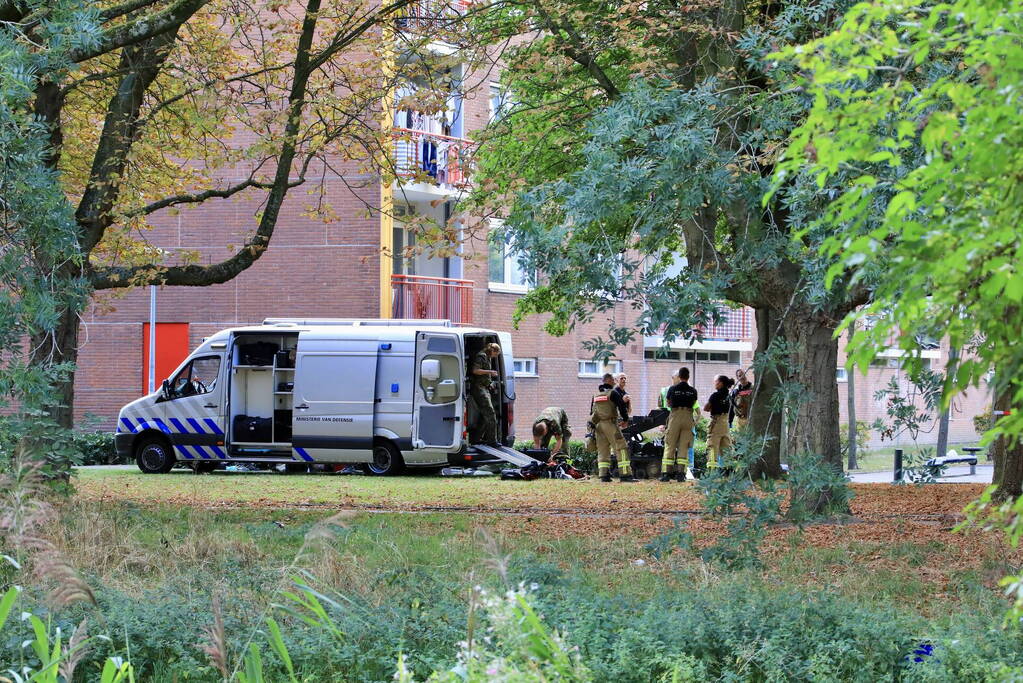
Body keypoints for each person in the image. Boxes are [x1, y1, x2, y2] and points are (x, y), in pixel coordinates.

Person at [590, 374, 636, 482]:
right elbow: (621, 407)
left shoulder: (595, 395)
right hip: (610, 424)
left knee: (603, 450)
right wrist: (625, 420)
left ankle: (604, 475)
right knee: (621, 448)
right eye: (613, 380)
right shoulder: (613, 393)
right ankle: (625, 475)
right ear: (609, 380)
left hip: (598, 426)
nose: (615, 382)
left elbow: (592, 412)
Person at [659, 367, 698, 482]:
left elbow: (668, 403)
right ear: (688, 377)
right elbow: (693, 403)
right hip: (688, 418)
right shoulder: (693, 391)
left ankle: (666, 474)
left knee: (670, 444)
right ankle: (681, 474)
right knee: (683, 447)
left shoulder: (672, 389)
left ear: (679, 377)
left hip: (675, 416)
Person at [468, 343, 501, 445]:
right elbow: (475, 370)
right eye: (496, 354)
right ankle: (492, 441)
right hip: (479, 388)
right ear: (492, 350)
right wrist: (490, 372)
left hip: (484, 387)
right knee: (490, 414)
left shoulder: (487, 357)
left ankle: (476, 439)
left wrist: (490, 383)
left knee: (484, 415)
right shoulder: (481, 356)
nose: (496, 356)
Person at [704, 374, 735, 469]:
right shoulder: (730, 396)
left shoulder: (715, 395)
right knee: (726, 447)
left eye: (716, 382)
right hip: (726, 423)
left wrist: (713, 407)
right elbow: (732, 411)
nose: (715, 383)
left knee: (712, 446)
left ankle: (712, 470)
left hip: (716, 422)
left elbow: (706, 408)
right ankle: (728, 471)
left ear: (721, 383)